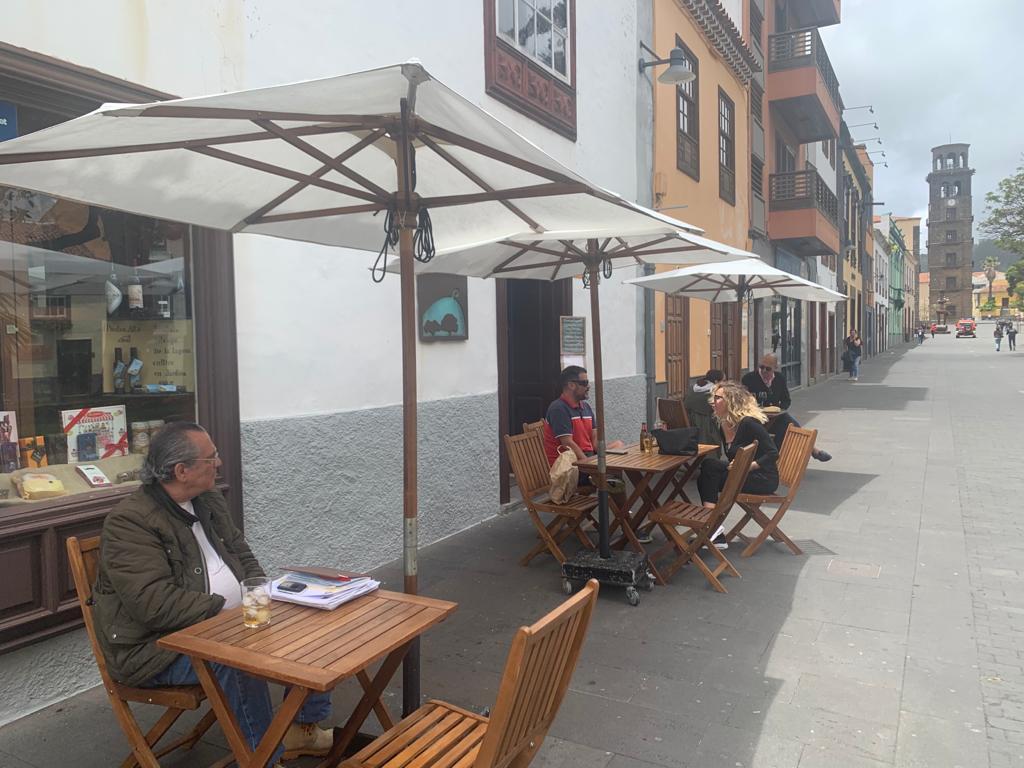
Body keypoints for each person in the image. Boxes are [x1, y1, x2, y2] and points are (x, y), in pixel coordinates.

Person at [93, 422, 334, 767]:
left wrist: (256, 595)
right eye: (212, 457)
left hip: (228, 622)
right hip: (156, 647)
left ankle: (299, 726)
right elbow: (154, 604)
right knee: (236, 661)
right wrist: (228, 612)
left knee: (311, 622)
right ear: (182, 471)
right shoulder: (131, 522)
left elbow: (243, 554)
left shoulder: (206, 499)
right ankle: (263, 759)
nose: (219, 463)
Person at [696, 382, 780, 546]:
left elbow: (773, 453)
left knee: (709, 473)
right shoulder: (723, 424)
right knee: (708, 467)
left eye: (718, 398)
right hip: (743, 474)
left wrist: (748, 466)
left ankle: (711, 527)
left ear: (731, 402)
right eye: (713, 397)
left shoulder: (749, 423)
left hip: (762, 478)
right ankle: (713, 528)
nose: (713, 401)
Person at [740, 354, 832, 462]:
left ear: (775, 368)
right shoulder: (749, 378)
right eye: (761, 367)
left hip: (776, 417)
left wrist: (779, 410)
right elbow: (743, 401)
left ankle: (809, 451)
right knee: (785, 426)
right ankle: (812, 450)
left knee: (789, 424)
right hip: (756, 417)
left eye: (768, 369)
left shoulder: (779, 379)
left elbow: (786, 400)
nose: (764, 371)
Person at [684, 369, 726, 452]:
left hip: (689, 427)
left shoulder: (692, 388)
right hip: (708, 428)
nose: (724, 383)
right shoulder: (714, 393)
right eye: (723, 381)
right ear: (716, 381)